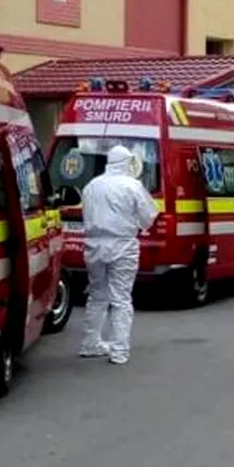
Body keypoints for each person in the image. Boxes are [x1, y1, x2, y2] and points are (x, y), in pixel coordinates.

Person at [79, 145, 159, 365]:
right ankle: (119, 350)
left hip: (94, 245)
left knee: (97, 295)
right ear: (126, 162)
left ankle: (90, 343)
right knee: (121, 298)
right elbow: (148, 217)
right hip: (123, 245)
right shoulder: (132, 186)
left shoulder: (91, 186)